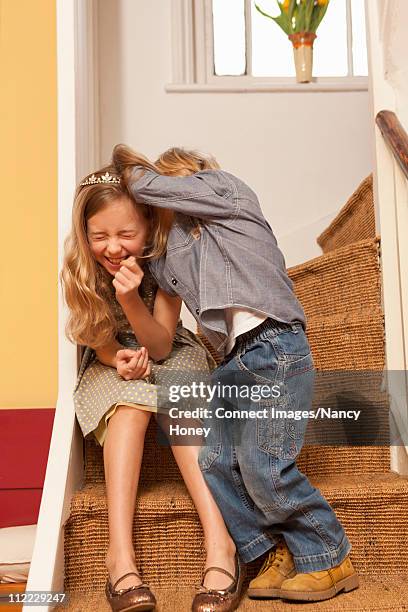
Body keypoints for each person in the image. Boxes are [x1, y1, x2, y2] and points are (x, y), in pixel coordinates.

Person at [108, 143, 360, 611]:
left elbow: (149, 185)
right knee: (216, 464)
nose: (174, 204)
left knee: (266, 467)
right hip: (230, 362)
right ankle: (273, 551)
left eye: (179, 189)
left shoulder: (228, 192)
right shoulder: (170, 255)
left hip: (275, 346)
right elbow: (160, 325)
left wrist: (127, 165)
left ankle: (330, 554)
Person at [61, 166, 240, 612]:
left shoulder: (165, 264)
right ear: (84, 234)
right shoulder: (81, 269)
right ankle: (119, 556)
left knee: (177, 399)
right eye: (99, 235)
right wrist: (113, 358)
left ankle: (221, 546)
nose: (113, 247)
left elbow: (160, 345)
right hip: (111, 357)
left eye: (126, 233)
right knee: (130, 406)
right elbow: (96, 338)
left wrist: (128, 301)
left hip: (166, 346)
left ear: (147, 226)